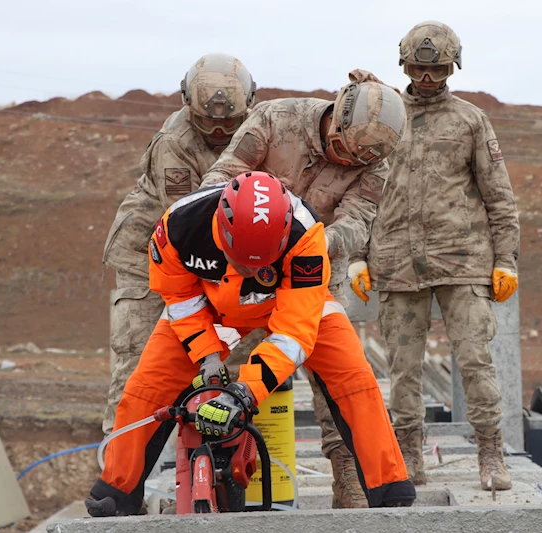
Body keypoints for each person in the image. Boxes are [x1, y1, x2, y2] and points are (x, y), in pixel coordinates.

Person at [86, 173, 416, 516]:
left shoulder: (306, 237)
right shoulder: (179, 226)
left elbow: (295, 332)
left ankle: (389, 487)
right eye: (241, 261)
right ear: (222, 229)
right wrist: (207, 355)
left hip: (291, 304)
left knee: (354, 377)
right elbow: (180, 297)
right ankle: (117, 490)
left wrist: (244, 393)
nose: (249, 270)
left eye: (258, 264)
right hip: (211, 306)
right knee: (148, 384)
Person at [200, 70, 406, 507]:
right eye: (346, 149)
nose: (352, 161)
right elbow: (218, 184)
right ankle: (224, 475)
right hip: (244, 273)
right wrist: (253, 236)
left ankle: (348, 477)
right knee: (231, 374)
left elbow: (356, 224)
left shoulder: (374, 164)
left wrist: (307, 246)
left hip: (314, 276)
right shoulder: (276, 121)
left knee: (339, 382)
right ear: (337, 117)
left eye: (363, 157)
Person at [349, 21, 521, 490]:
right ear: (403, 64)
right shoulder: (382, 116)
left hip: (462, 261)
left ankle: (491, 454)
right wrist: (357, 255)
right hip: (397, 264)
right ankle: (409, 456)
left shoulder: (470, 120)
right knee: (403, 370)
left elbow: (499, 196)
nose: (427, 78)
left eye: (438, 69)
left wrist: (505, 260)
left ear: (453, 68)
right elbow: (358, 191)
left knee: (474, 362)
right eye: (419, 68)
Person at [101, 53, 257, 435]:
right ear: (187, 103)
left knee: (230, 363)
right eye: (208, 121)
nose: (219, 131)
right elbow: (186, 224)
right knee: (141, 368)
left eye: (229, 122)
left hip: (219, 257)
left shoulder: (258, 130)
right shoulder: (174, 142)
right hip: (152, 257)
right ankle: (123, 479)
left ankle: (216, 473)